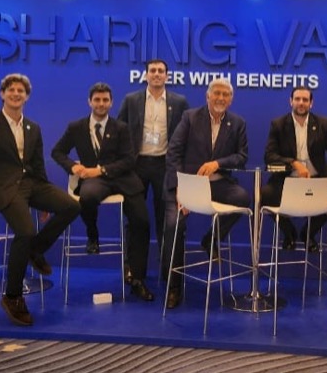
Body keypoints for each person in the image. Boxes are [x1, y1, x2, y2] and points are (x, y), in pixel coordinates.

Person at [0, 74, 80, 326]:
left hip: (32, 184)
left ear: (27, 96)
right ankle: (12, 296)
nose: (16, 94)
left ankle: (36, 249)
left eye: (21, 91)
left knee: (71, 206)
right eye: (11, 90)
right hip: (4, 189)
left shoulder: (33, 127)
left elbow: (38, 165)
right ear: (2, 94)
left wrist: (44, 202)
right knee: (26, 231)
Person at [51, 83, 155, 301]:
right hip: (94, 182)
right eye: (97, 100)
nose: (101, 104)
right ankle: (92, 233)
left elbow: (129, 160)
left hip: (123, 179)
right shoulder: (76, 127)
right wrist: (73, 167)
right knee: (87, 197)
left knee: (142, 222)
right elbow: (57, 152)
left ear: (111, 103)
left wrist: (101, 170)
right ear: (89, 102)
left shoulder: (121, 128)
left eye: (105, 100)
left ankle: (137, 279)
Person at [162, 78, 249, 309]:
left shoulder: (237, 123)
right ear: (207, 96)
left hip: (218, 184)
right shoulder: (190, 117)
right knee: (173, 225)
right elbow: (173, 153)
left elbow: (242, 157)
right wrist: (180, 188)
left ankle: (211, 239)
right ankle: (174, 287)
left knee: (242, 198)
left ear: (231, 99)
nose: (220, 98)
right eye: (216, 93)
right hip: (187, 184)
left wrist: (218, 163)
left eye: (225, 94)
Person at [116, 59, 189, 252]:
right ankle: (132, 264)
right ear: (146, 75)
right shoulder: (131, 100)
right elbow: (119, 131)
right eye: (153, 70)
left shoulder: (179, 102)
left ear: (167, 76)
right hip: (137, 164)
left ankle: (165, 263)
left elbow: (186, 135)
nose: (157, 74)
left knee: (164, 217)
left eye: (161, 71)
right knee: (134, 216)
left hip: (165, 165)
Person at [261, 85, 327, 252]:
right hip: (286, 180)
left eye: (305, 100)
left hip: (314, 180)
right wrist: (293, 162)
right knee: (263, 196)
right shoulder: (278, 124)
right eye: (297, 99)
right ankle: (289, 233)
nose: (301, 103)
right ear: (290, 101)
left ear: (311, 103)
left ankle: (307, 234)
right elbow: (269, 156)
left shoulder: (323, 124)